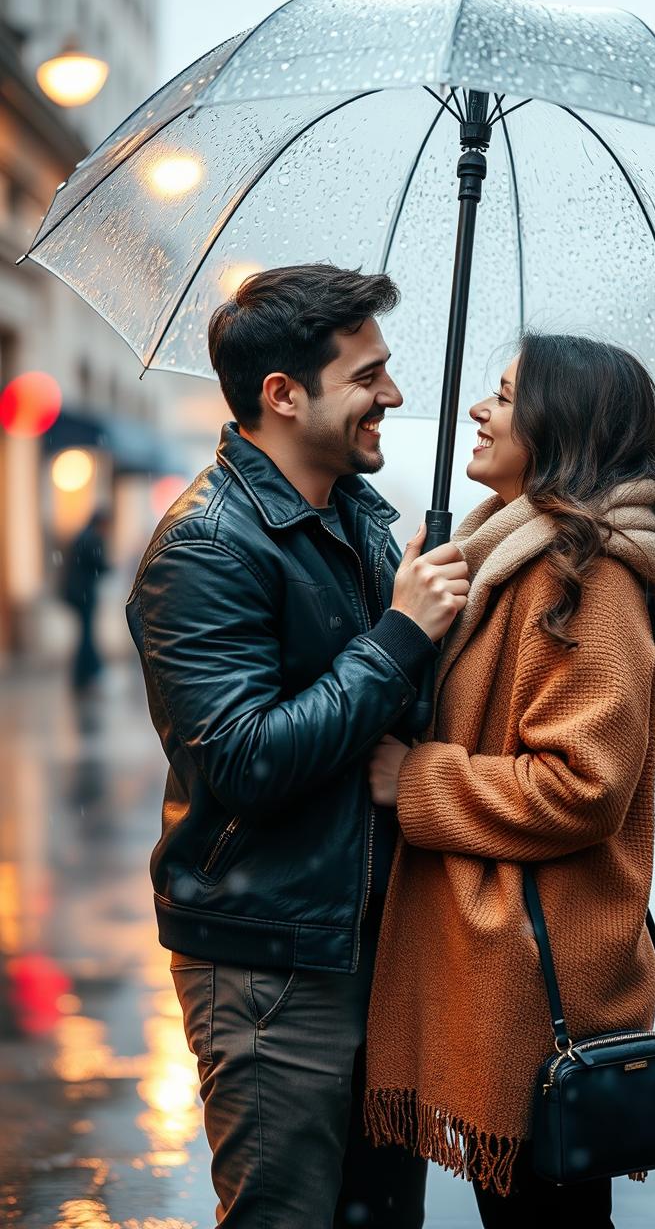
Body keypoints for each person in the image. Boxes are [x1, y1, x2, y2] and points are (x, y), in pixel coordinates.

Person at [126, 264, 470, 1229]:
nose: (393, 397)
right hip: (270, 964)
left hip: (366, 939)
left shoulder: (354, 520)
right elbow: (245, 760)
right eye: (367, 377)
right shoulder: (208, 545)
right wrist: (400, 636)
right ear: (282, 395)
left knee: (380, 1218)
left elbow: (378, 720)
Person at [365, 334, 655, 1228]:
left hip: (536, 979)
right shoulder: (498, 555)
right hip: (505, 967)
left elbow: (582, 786)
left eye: (506, 394)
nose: (480, 410)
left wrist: (418, 783)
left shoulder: (586, 575)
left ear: (563, 426)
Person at [62, 510, 111, 691]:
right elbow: (99, 564)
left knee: (85, 634)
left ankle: (85, 675)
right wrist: (112, 566)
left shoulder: (83, 536)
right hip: (82, 595)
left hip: (76, 593)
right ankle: (88, 674)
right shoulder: (92, 538)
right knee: (86, 636)